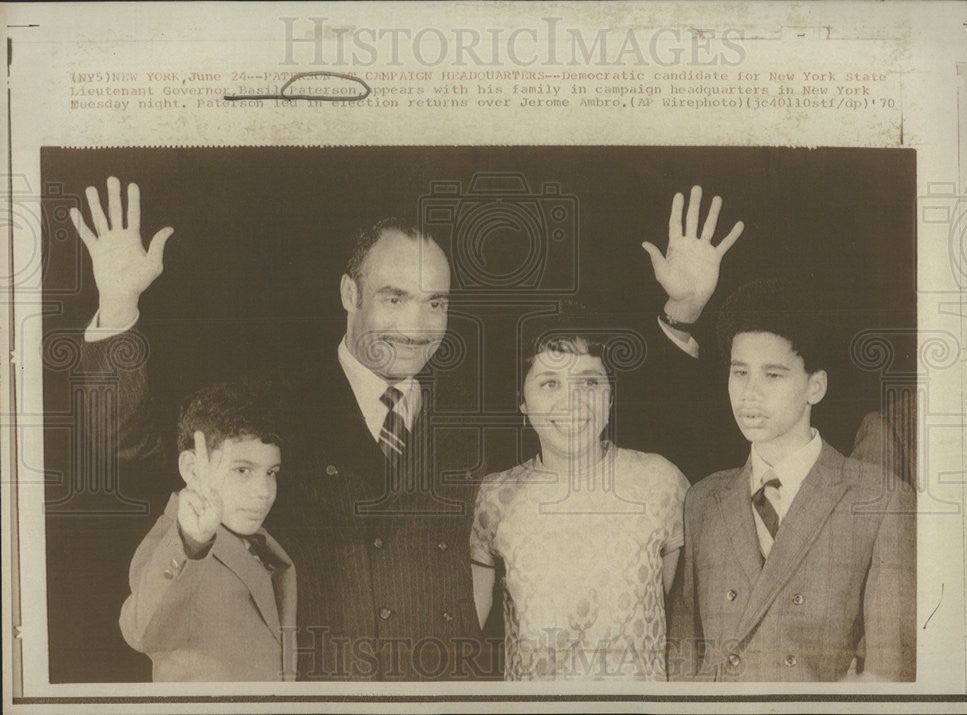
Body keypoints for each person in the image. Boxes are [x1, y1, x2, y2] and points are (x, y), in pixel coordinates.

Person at [69, 177, 743, 681]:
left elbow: (606, 422)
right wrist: (118, 307)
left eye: (435, 303)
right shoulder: (276, 405)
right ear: (348, 294)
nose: (416, 325)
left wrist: (681, 313)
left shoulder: (477, 415)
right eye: (393, 298)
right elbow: (132, 448)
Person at [667, 280, 916, 682]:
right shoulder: (703, 499)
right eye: (740, 372)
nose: (749, 393)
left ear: (814, 387)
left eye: (773, 375)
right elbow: (681, 656)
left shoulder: (880, 498)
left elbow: (889, 674)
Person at [469, 314, 689, 681]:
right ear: (521, 401)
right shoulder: (494, 497)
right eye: (550, 383)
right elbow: (465, 624)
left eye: (588, 382)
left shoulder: (660, 481)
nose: (571, 402)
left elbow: (683, 618)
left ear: (611, 395)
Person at [119, 380, 296, 681]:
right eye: (242, 470)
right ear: (191, 469)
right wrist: (192, 541)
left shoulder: (264, 543)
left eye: (271, 473)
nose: (265, 491)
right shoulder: (178, 543)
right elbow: (141, 632)